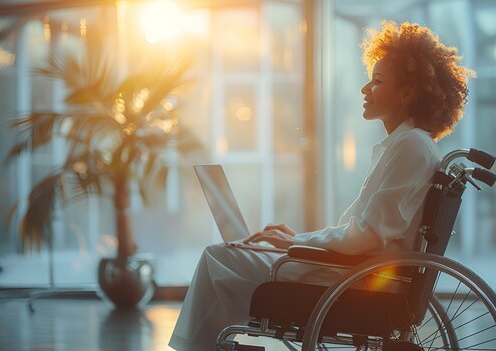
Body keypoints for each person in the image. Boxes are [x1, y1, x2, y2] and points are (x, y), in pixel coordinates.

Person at [168, 21, 473, 350]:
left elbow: (367, 236)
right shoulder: (409, 145)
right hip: (358, 271)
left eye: (377, 81)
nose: (364, 90)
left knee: (219, 257)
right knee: (235, 257)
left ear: (407, 93)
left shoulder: (410, 146)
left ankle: (205, 345)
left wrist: (295, 242)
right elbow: (368, 232)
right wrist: (295, 241)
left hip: (356, 279)